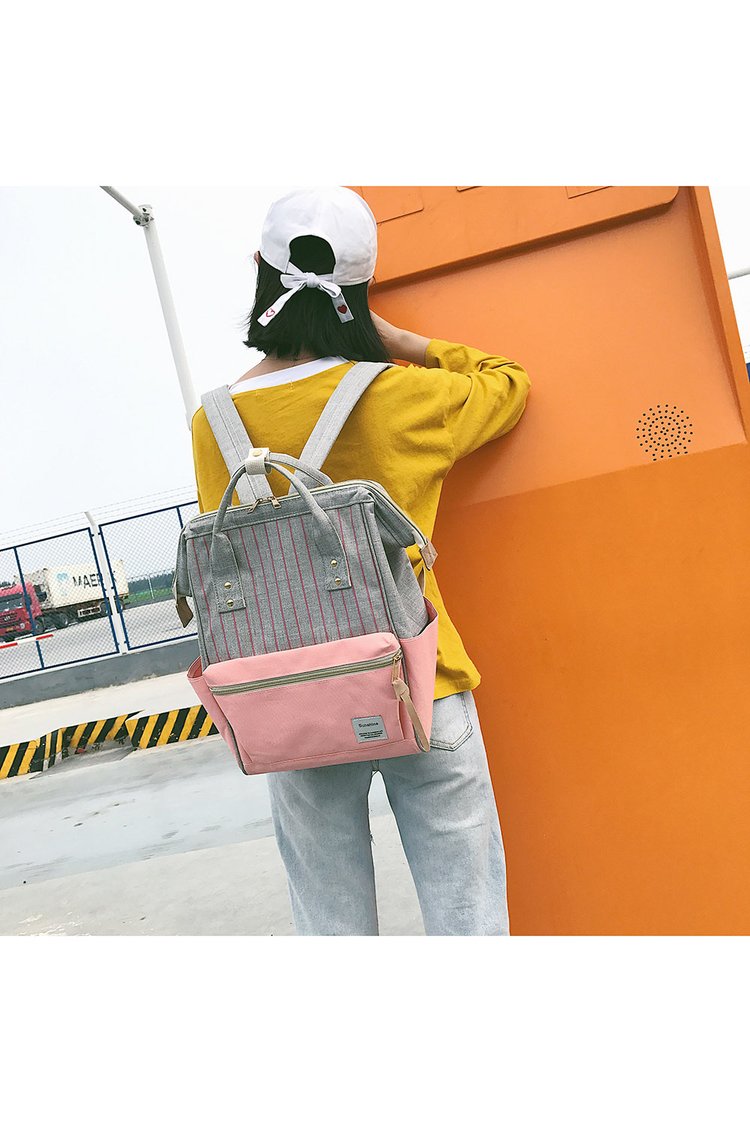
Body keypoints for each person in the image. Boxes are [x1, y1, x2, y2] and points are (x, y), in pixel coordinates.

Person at [190, 186, 531, 936]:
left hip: (290, 698)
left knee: (330, 924)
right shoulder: (402, 396)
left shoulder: (213, 422)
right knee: (467, 915)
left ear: (260, 271)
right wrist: (401, 340)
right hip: (418, 680)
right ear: (360, 289)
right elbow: (509, 383)